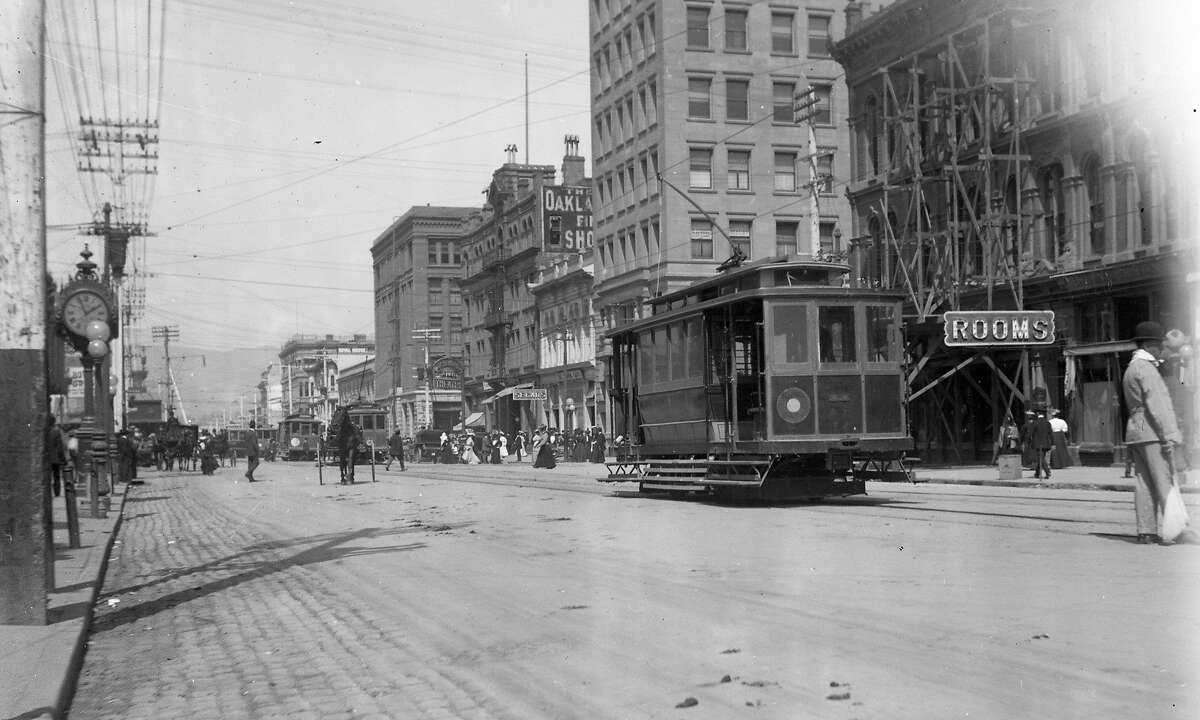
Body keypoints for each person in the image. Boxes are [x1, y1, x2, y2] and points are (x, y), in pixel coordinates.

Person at [1122, 321, 1185, 544]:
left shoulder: (1131, 368)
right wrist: (1171, 436)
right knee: (1164, 479)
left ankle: (1146, 531)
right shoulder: (1147, 369)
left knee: (1144, 481)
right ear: (1149, 345)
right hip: (1152, 431)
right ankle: (1175, 529)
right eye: (1159, 345)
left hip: (1136, 430)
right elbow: (1158, 405)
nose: (1162, 349)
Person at [45, 414, 67, 498]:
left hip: (46, 458)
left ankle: (47, 492)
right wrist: (63, 459)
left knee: (47, 476)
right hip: (55, 459)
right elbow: (59, 447)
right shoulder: (56, 431)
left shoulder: (44, 432)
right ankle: (57, 492)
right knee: (56, 476)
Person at [1030, 411, 1053, 479]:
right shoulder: (1048, 423)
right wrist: (1053, 443)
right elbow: (1051, 434)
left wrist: (1028, 441)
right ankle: (1037, 473)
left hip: (1037, 443)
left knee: (1041, 458)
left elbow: (1031, 433)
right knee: (1041, 458)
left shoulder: (1035, 422)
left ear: (1037, 414)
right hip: (1046, 443)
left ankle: (1047, 471)